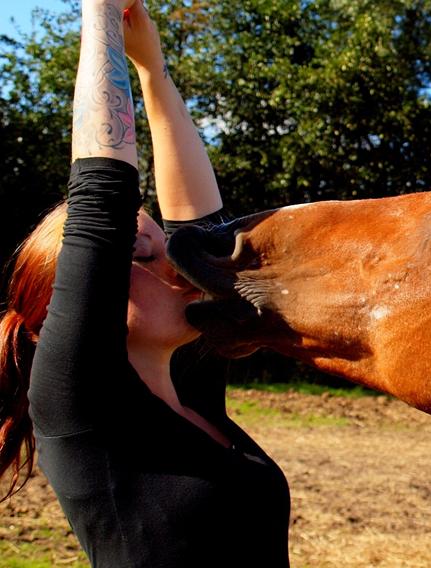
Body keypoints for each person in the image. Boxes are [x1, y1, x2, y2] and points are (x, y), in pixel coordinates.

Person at [0, 1, 290, 565]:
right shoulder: (82, 407)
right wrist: (100, 12)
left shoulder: (188, 393)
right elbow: (100, 198)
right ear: (74, 304)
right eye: (141, 255)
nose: (178, 268)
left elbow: (203, 233)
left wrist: (154, 72)